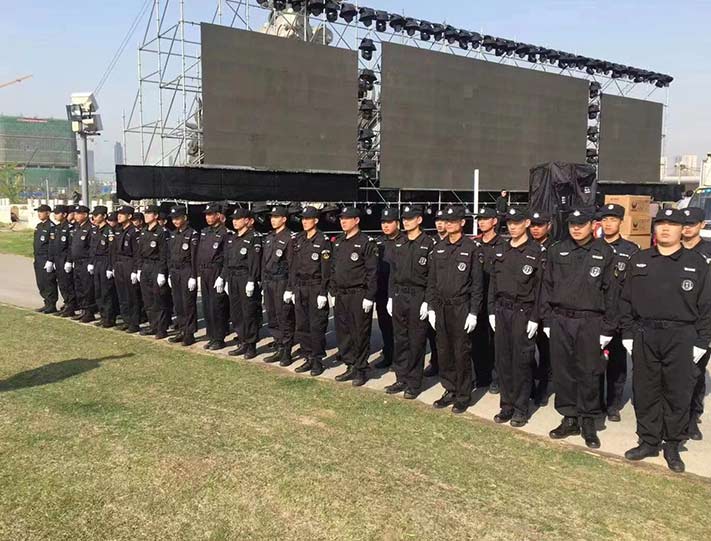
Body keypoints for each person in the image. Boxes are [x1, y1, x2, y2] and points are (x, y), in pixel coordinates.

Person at [621, 208, 711, 473]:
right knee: (645, 390)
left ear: (682, 229)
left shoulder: (697, 263)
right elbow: (625, 300)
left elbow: (707, 305)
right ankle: (648, 440)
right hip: (645, 333)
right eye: (660, 223)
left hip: (681, 335)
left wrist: (703, 340)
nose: (665, 229)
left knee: (677, 392)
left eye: (672, 224)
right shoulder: (640, 260)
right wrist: (628, 333)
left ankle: (672, 444)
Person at [541, 208, 617, 449]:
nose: (575, 228)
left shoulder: (604, 252)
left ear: (592, 225)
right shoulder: (557, 250)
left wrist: (608, 328)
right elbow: (547, 286)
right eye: (572, 223)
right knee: (563, 371)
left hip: (590, 320)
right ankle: (569, 417)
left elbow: (612, 293)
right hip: (561, 319)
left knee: (588, 372)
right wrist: (547, 320)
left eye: (581, 224)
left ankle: (588, 420)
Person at [488, 208, 545, 427]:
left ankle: (521, 408)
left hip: (523, 312)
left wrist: (535, 317)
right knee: (503, 360)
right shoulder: (501, 249)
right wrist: (491, 311)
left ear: (527, 223)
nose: (512, 227)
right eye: (510, 223)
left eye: (517, 222)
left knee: (521, 361)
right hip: (502, 310)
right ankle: (507, 405)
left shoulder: (536, 252)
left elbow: (540, 289)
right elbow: (493, 284)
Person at [426, 205, 484, 414]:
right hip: (441, 307)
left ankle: (463, 395)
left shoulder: (471, 248)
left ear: (462, 223)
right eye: (446, 221)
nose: (449, 224)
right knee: (444, 351)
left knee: (461, 352)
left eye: (453, 221)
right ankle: (449, 389)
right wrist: (431, 307)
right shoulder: (439, 248)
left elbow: (477, 285)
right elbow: (432, 281)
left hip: (461, 307)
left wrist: (474, 312)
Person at [385, 205, 436, 399]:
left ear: (419, 220)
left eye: (410, 218)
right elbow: (393, 273)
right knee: (400, 339)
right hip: (399, 295)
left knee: (416, 340)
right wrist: (391, 297)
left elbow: (432, 276)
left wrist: (427, 301)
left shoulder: (428, 243)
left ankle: (414, 382)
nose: (406, 222)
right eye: (404, 218)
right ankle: (401, 377)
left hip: (417, 296)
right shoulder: (399, 243)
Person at [598, 203, 639, 422]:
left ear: (621, 222)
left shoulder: (631, 250)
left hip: (620, 314)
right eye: (605, 219)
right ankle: (595, 401)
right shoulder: (592, 246)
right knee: (594, 361)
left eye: (613, 220)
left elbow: (634, 287)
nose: (608, 224)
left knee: (617, 363)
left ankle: (613, 404)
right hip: (597, 315)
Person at [330, 207, 378, 386]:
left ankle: (361, 369)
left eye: (347, 218)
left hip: (358, 293)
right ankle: (350, 364)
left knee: (359, 332)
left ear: (356, 220)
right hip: (341, 294)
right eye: (341, 218)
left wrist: (369, 296)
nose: (343, 221)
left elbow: (372, 272)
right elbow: (333, 268)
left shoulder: (366, 242)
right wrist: (332, 291)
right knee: (343, 332)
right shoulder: (338, 241)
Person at [287, 206, 332, 375]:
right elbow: (293, 266)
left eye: (308, 219)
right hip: (300, 286)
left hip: (315, 286)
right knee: (302, 324)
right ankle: (307, 356)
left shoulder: (323, 240)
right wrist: (291, 288)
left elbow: (326, 269)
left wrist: (323, 292)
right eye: (303, 219)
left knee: (316, 325)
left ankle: (317, 360)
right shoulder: (299, 239)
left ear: (316, 220)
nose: (304, 222)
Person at [681, 206, 711, 440]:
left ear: (701, 225)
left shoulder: (708, 252)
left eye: (692, 224)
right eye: (684, 224)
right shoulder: (671, 250)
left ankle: (692, 418)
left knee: (695, 373)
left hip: (701, 321)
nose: (687, 228)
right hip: (675, 320)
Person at [223, 208, 262, 359]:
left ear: (247, 220)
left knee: (249, 312)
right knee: (236, 312)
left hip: (246, 277)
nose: (235, 221)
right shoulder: (233, 238)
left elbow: (255, 262)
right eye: (234, 219)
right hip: (233, 277)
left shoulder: (254, 237)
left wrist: (252, 280)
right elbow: (228, 260)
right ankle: (242, 341)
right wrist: (225, 278)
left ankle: (251, 345)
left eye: (238, 219)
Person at [261, 205, 297, 366]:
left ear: (284, 219)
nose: (273, 220)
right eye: (272, 217)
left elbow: (292, 265)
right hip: (269, 281)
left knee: (284, 317)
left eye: (276, 217)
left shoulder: (290, 238)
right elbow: (264, 262)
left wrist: (290, 288)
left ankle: (286, 351)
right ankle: (278, 345)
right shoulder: (269, 237)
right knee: (272, 315)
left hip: (281, 281)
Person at [474, 206, 504, 393]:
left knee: (496, 341)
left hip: (495, 299)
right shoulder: (475, 244)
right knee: (478, 339)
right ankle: (482, 376)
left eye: (486, 219)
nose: (482, 222)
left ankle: (497, 377)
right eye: (480, 219)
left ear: (494, 221)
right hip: (477, 298)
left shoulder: (502, 245)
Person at [198, 203, 230, 350]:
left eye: (211, 214)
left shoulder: (225, 233)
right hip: (205, 271)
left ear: (218, 215)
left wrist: (222, 276)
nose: (208, 217)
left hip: (216, 271)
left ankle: (219, 338)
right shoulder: (205, 232)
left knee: (217, 306)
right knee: (207, 306)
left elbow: (227, 257)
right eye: (206, 214)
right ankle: (211, 336)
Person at [529, 210, 553, 405]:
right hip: (527, 306)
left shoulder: (555, 249)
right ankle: (529, 384)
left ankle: (543, 387)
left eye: (540, 225)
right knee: (527, 350)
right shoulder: (526, 246)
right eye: (533, 225)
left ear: (549, 226)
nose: (535, 229)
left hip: (546, 307)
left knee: (546, 351)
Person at [136, 205, 170, 339]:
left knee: (158, 299)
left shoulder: (161, 232)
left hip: (156, 266)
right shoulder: (144, 231)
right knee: (148, 298)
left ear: (155, 216)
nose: (146, 215)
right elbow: (139, 252)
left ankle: (161, 328)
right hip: (145, 266)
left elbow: (164, 254)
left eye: (149, 213)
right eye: (145, 213)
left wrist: (162, 272)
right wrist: (139, 268)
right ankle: (153, 325)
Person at [373, 208, 402, 369]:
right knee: (385, 325)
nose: (385, 225)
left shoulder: (404, 241)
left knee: (400, 329)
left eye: (389, 222)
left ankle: (400, 359)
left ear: (397, 223)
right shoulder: (378, 242)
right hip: (382, 290)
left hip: (399, 291)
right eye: (383, 222)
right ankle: (388, 354)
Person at [167, 205, 199, 347]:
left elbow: (194, 257)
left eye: (177, 218)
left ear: (184, 218)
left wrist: (193, 276)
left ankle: (189, 333)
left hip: (186, 271)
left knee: (188, 304)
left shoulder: (192, 234)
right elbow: (169, 255)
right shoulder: (173, 234)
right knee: (178, 303)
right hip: (175, 271)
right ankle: (181, 330)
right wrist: (169, 272)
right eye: (173, 218)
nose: (175, 221)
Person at [423, 209, 446, 378]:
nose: (439, 224)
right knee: (433, 333)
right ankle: (436, 362)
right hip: (433, 294)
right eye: (437, 221)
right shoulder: (431, 243)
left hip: (450, 295)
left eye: (443, 220)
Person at [112, 206, 141, 333]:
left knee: (131, 295)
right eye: (118, 213)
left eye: (122, 214)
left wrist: (135, 270)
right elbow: (113, 250)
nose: (119, 216)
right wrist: (113, 266)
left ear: (129, 216)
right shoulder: (118, 230)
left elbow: (137, 253)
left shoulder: (134, 231)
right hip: (119, 264)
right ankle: (126, 320)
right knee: (122, 294)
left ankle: (134, 323)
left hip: (129, 263)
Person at [88, 205, 117, 328]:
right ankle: (103, 316)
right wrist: (91, 262)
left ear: (104, 216)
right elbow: (92, 248)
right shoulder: (95, 230)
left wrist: (110, 267)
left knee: (106, 292)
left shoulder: (109, 231)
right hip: (97, 261)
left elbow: (112, 251)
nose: (94, 217)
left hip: (105, 261)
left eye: (96, 215)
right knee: (98, 291)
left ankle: (109, 318)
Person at [69, 205, 96, 323]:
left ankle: (89, 312)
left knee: (87, 287)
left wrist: (91, 262)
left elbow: (92, 248)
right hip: (77, 262)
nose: (76, 216)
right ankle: (83, 310)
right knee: (79, 287)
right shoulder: (77, 227)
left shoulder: (90, 228)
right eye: (75, 213)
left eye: (78, 214)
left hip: (85, 262)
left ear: (85, 215)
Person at [49, 205, 77, 317]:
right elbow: (52, 245)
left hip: (65, 259)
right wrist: (51, 260)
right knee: (61, 284)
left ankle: (71, 306)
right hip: (57, 259)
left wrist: (69, 261)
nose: (55, 215)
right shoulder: (56, 228)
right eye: (54, 213)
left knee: (68, 283)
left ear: (64, 214)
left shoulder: (70, 228)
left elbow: (71, 246)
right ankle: (66, 303)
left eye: (57, 213)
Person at [32, 204, 58, 314]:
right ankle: (46, 303)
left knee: (48, 282)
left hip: (45, 258)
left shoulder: (51, 227)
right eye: (38, 212)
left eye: (41, 212)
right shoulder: (39, 226)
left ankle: (51, 304)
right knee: (41, 282)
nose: (39, 214)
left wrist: (50, 260)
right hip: (38, 258)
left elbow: (52, 245)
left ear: (48, 213)